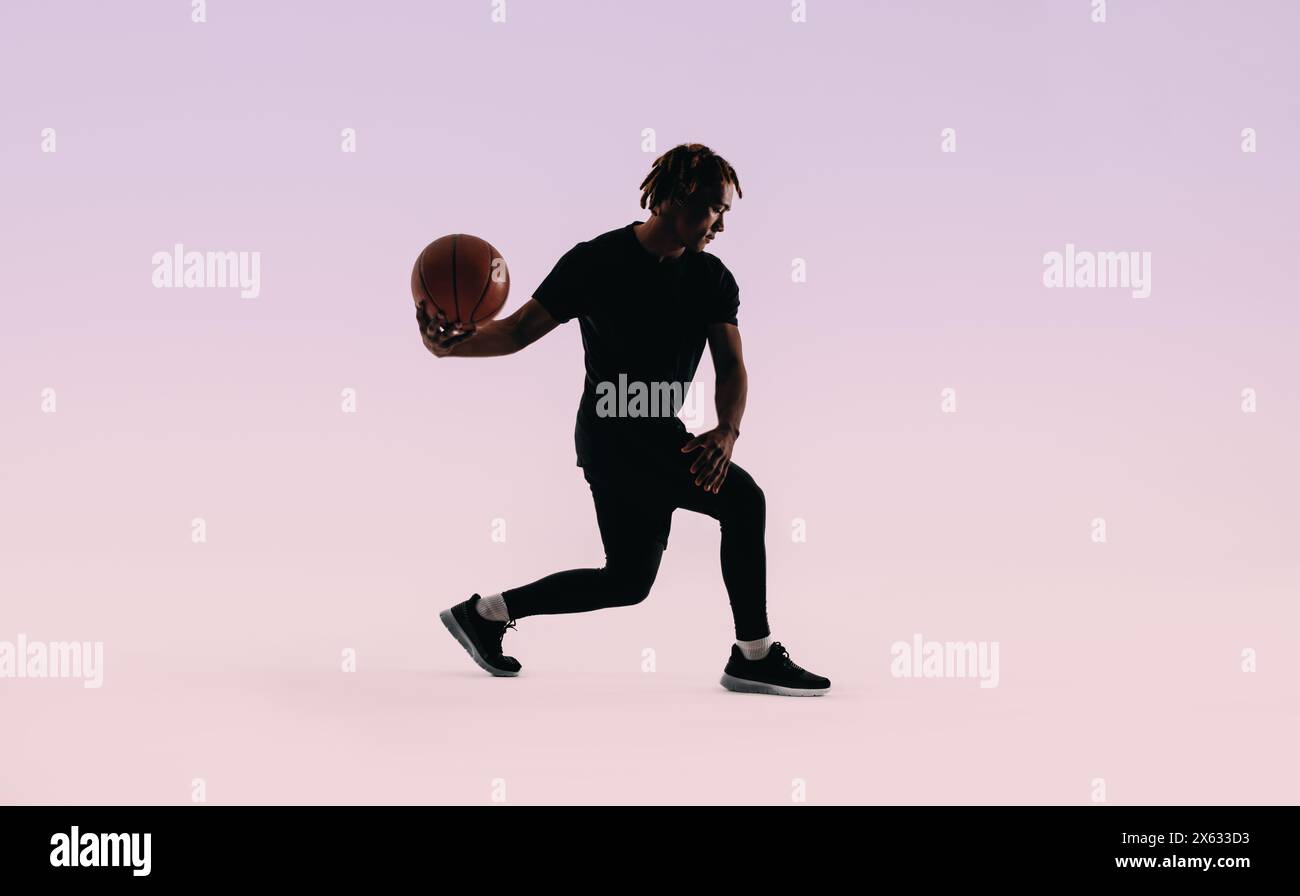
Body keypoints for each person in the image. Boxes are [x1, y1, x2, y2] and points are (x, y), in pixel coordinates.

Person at [422, 143, 830, 697]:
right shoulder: (595, 261)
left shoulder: (711, 279)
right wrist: (453, 347)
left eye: (727, 212)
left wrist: (727, 430)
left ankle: (485, 614)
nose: (721, 224)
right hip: (611, 440)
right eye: (714, 208)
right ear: (674, 199)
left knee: (627, 581)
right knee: (743, 500)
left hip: (661, 436)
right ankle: (752, 655)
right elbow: (517, 331)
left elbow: (732, 366)